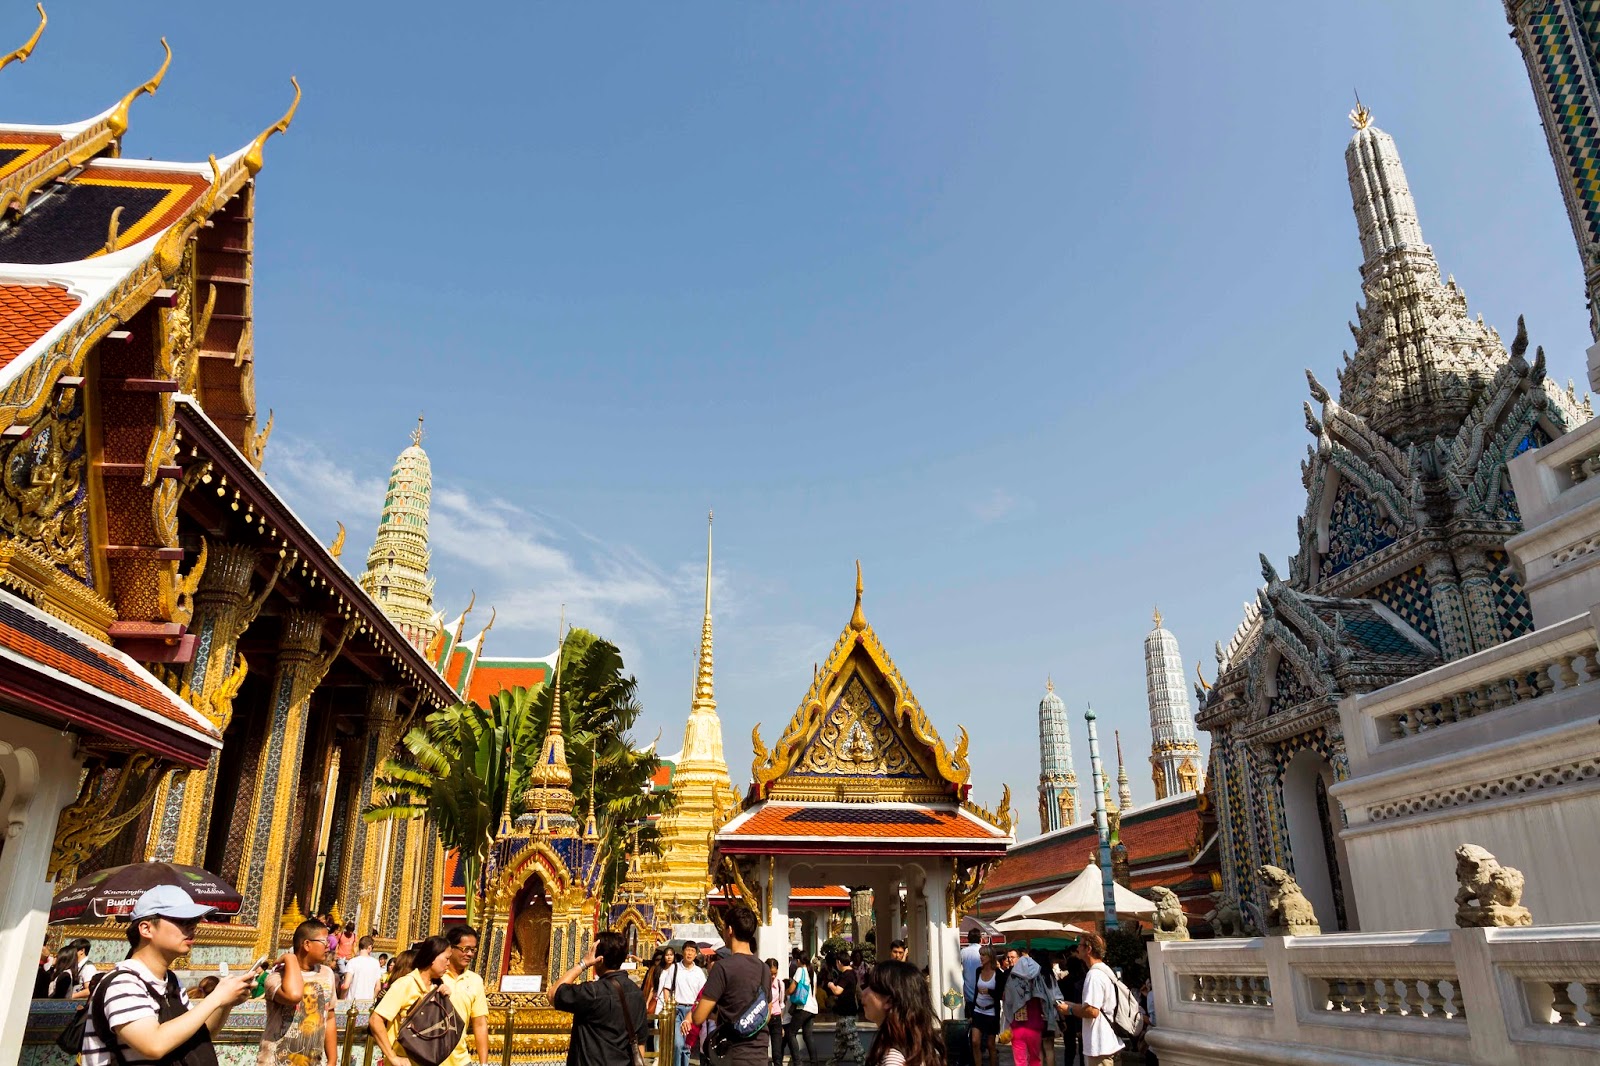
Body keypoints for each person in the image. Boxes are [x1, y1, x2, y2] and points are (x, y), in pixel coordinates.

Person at [81, 885, 254, 1066]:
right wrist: (216, 998)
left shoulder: (171, 982)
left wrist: (226, 1003)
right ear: (146, 929)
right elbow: (153, 1044)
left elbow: (196, 1034)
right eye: (181, 920)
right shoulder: (123, 983)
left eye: (193, 920)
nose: (192, 927)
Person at [369, 936, 474, 1066]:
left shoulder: (438, 987)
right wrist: (393, 1057)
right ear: (432, 957)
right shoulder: (406, 984)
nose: (448, 963)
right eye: (446, 958)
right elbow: (375, 1020)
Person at [684, 905, 768, 1066]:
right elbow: (767, 1013)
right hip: (760, 1053)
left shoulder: (722, 967)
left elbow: (699, 1016)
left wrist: (721, 1015)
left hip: (733, 1053)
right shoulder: (763, 968)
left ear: (730, 930)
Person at [550, 930, 648, 1066]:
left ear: (599, 960)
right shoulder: (637, 993)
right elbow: (640, 1042)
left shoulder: (592, 992)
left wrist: (584, 963)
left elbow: (553, 994)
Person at [259, 918, 338, 1066]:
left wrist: (332, 1060)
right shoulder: (276, 977)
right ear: (307, 944)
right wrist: (290, 958)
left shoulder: (327, 974)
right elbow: (293, 995)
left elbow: (330, 1017)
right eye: (324, 941)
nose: (329, 946)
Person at [859, 960, 945, 1066]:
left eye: (871, 987)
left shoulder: (893, 1059)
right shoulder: (918, 1048)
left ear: (889, 1001)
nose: (863, 993)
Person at [1055, 933, 1123, 1066]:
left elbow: (1092, 1011)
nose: (1077, 949)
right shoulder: (1105, 971)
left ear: (1089, 949)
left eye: (1079, 945)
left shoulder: (1094, 975)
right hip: (1110, 1042)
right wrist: (1074, 1005)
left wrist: (1069, 1009)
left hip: (1100, 1046)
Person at [998, 950, 1060, 1066]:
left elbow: (1007, 1002)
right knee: (1035, 1059)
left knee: (1020, 1061)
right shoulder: (1038, 980)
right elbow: (1047, 1000)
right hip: (1035, 1025)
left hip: (1017, 1027)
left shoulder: (1012, 981)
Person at [444, 925, 491, 1066]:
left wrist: (484, 1063)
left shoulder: (475, 980)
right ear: (450, 948)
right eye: (465, 949)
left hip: (460, 1059)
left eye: (473, 950)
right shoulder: (434, 976)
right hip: (429, 1058)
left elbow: (480, 1023)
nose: (469, 954)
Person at [657, 943, 705, 1066]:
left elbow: (703, 993)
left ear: (696, 954)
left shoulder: (699, 972)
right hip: (677, 1009)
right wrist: (669, 1005)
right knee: (677, 1043)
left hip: (692, 1011)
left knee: (687, 1045)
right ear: (683, 952)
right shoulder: (675, 968)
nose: (689, 953)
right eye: (687, 950)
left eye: (692, 951)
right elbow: (666, 988)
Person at [824, 951, 862, 1066]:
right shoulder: (852, 973)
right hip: (843, 1013)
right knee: (840, 1044)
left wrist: (830, 985)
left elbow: (837, 991)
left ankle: (863, 1062)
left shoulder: (846, 975)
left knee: (854, 1042)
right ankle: (832, 1063)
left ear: (839, 962)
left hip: (846, 1014)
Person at [781, 949, 817, 1066]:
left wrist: (783, 993)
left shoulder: (800, 970)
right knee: (808, 1036)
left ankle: (798, 1062)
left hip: (803, 1007)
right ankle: (814, 1063)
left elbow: (792, 989)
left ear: (798, 961)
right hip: (813, 1007)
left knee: (791, 1033)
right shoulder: (813, 972)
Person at [968, 948, 998, 1066]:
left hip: (991, 1012)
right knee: (975, 1041)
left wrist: (989, 991)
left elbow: (1000, 994)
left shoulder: (998, 973)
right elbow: (976, 990)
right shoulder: (978, 971)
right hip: (978, 1009)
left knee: (991, 1044)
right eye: (980, 955)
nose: (981, 957)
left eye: (983, 955)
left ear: (990, 957)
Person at [1058, 952, 1087, 1066]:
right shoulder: (1084, 982)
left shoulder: (1062, 982)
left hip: (1067, 1016)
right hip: (1081, 1015)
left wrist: (1061, 1020)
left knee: (1069, 1049)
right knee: (1083, 1049)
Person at [344, 936, 384, 1004]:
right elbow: (378, 987)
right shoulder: (375, 963)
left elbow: (346, 985)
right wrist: (372, 1000)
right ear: (370, 947)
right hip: (368, 1003)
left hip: (352, 1003)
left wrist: (342, 999)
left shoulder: (352, 962)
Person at [958, 931, 982, 1020]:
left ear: (968, 939)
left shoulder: (963, 952)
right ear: (980, 939)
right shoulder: (983, 951)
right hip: (983, 992)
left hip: (968, 992)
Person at [766, 958, 785, 1066]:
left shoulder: (780, 984)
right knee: (763, 1051)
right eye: (771, 974)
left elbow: (781, 1003)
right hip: (764, 1019)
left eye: (775, 973)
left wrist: (781, 1024)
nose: (773, 976)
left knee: (777, 1053)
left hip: (776, 1018)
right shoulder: (762, 984)